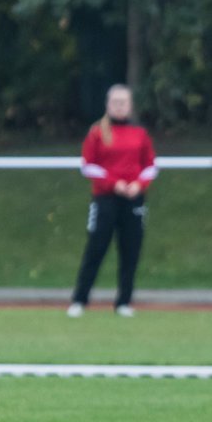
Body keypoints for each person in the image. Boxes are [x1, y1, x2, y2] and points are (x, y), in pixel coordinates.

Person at [67, 84, 156, 319]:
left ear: (130, 105)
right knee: (96, 248)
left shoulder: (140, 134)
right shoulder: (97, 132)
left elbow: (150, 166)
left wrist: (138, 185)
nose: (119, 106)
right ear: (108, 104)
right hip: (105, 199)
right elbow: (88, 165)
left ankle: (124, 302)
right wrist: (114, 183)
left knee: (131, 250)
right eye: (115, 102)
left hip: (133, 199)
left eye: (123, 102)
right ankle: (79, 300)